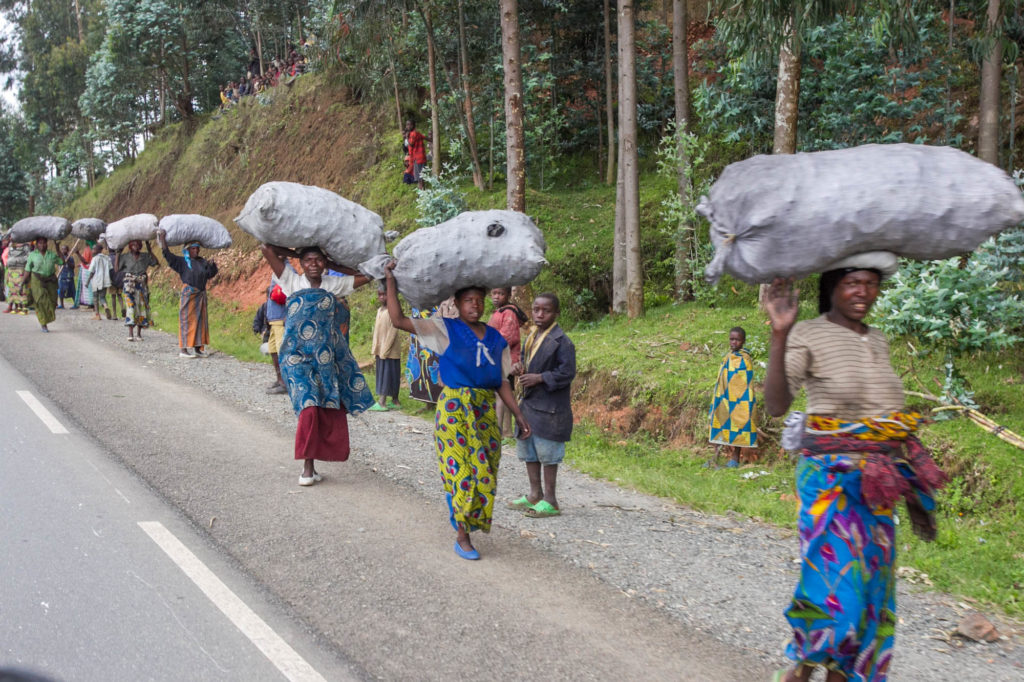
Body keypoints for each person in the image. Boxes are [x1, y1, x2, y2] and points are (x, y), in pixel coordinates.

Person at [763, 265, 948, 682]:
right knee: (836, 595)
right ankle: (799, 671)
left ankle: (831, 674)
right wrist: (780, 333)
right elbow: (776, 404)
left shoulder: (877, 339)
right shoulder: (808, 332)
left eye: (871, 282)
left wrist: (909, 467)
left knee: (869, 599)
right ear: (833, 287)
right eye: (852, 282)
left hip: (879, 487)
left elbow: (882, 413)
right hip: (831, 484)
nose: (863, 291)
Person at [385, 265, 531, 560]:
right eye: (468, 301)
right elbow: (399, 320)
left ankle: (470, 521)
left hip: (484, 412)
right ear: (457, 304)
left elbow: (502, 381)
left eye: (479, 300)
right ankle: (462, 535)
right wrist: (389, 280)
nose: (474, 306)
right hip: (453, 410)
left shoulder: (496, 339)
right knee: (460, 471)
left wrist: (518, 415)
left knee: (485, 470)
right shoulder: (444, 329)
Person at [260, 243, 374, 485]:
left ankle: (315, 462)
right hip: (295, 357)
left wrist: (333, 264)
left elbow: (369, 275)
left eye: (318, 260)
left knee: (325, 406)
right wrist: (297, 254)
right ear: (301, 264)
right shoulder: (291, 281)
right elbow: (266, 248)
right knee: (309, 406)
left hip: (324, 359)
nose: (314, 264)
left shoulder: (334, 285)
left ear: (325, 264)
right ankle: (307, 468)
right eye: (308, 260)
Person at [507, 293, 575, 518]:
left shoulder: (562, 342)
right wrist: (519, 368)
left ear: (556, 313)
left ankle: (551, 500)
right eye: (536, 309)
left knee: (548, 452)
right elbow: (527, 360)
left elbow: (567, 373)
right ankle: (534, 494)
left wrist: (541, 378)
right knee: (530, 450)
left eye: (545, 310)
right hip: (529, 404)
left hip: (550, 409)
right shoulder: (532, 336)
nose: (539, 314)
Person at [158, 232, 219, 358]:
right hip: (189, 294)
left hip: (201, 295)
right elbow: (167, 255)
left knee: (201, 321)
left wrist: (212, 266)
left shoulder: (202, 262)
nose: (195, 250)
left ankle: (198, 349)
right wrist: (163, 239)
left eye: (197, 248)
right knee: (186, 320)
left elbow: (209, 274)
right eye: (193, 248)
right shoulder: (182, 262)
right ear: (187, 250)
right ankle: (184, 350)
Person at [707, 326, 757, 468]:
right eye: (731, 339)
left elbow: (744, 382)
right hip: (724, 398)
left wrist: (738, 397)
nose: (734, 342)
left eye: (737, 340)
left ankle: (735, 459)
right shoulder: (728, 356)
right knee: (720, 422)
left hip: (741, 400)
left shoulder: (745, 358)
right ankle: (715, 457)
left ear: (743, 341)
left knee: (739, 425)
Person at [487, 287, 525, 437]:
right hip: (499, 357)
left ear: (508, 295)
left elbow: (509, 337)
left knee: (500, 394)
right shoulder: (500, 312)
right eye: (494, 293)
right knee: (506, 393)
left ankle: (498, 430)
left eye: (501, 294)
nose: (496, 297)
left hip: (506, 359)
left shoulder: (509, 312)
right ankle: (507, 431)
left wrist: (488, 346)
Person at [117, 239, 158, 341]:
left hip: (141, 285)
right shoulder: (125, 257)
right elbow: (117, 269)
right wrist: (118, 254)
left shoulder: (144, 256)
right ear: (130, 246)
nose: (136, 246)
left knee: (141, 308)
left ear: (140, 246)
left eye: (138, 245)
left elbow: (155, 262)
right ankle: (130, 333)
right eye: (133, 245)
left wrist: (149, 249)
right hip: (129, 285)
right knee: (131, 307)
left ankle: (139, 334)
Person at [369, 288, 403, 411]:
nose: (382, 297)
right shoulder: (380, 310)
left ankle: (382, 402)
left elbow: (393, 331)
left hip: (390, 350)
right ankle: (395, 400)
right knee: (386, 373)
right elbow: (377, 332)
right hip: (381, 349)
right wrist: (375, 348)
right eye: (380, 295)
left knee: (388, 375)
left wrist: (386, 349)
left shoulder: (393, 311)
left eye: (385, 295)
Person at [23, 237, 62, 332]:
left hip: (51, 281)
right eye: (40, 243)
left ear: (47, 244)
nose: (42, 245)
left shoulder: (52, 255)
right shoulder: (32, 255)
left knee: (52, 302)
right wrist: (22, 283)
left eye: (44, 243)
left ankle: (46, 319)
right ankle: (43, 324)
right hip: (37, 281)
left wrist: (57, 248)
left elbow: (62, 261)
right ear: (36, 244)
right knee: (40, 301)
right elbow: (28, 270)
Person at [265, 278, 288, 394]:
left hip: (281, 318)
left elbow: (293, 294)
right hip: (274, 319)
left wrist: (288, 315)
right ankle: (279, 380)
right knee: (273, 349)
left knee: (282, 351)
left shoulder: (287, 271)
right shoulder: (275, 272)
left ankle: (285, 383)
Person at [85, 242, 113, 320]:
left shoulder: (95, 259)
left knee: (95, 298)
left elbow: (92, 272)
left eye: (94, 249)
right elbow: (111, 270)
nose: (92, 250)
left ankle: (97, 314)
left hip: (96, 281)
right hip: (105, 281)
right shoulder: (107, 258)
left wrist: (87, 282)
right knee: (102, 297)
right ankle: (106, 306)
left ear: (98, 250)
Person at [4, 241, 31, 314]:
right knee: (12, 288)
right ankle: (16, 307)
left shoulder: (25, 246)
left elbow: (29, 256)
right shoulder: (11, 245)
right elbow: (9, 255)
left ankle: (24, 308)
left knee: (21, 288)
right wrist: (10, 261)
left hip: (20, 269)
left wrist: (18, 260)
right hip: (11, 269)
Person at [403, 119, 430, 190]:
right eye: (407, 125)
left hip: (418, 159)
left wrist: (406, 137)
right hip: (419, 158)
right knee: (420, 176)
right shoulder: (417, 133)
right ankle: (422, 191)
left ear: (413, 125)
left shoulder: (413, 134)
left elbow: (411, 144)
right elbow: (426, 138)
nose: (408, 126)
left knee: (420, 177)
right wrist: (431, 139)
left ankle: (422, 192)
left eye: (409, 124)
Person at [74, 241, 94, 309]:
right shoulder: (94, 248)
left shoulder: (88, 249)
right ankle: (91, 303)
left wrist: (78, 253)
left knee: (87, 288)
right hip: (91, 269)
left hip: (87, 271)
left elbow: (86, 261)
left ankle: (90, 303)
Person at [55, 245, 76, 309]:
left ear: (68, 250)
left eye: (65, 249)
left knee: (72, 291)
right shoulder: (60, 258)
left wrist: (68, 261)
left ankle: (75, 304)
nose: (63, 251)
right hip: (62, 277)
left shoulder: (70, 258)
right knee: (61, 291)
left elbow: (73, 266)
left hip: (69, 276)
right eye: (62, 249)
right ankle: (62, 305)